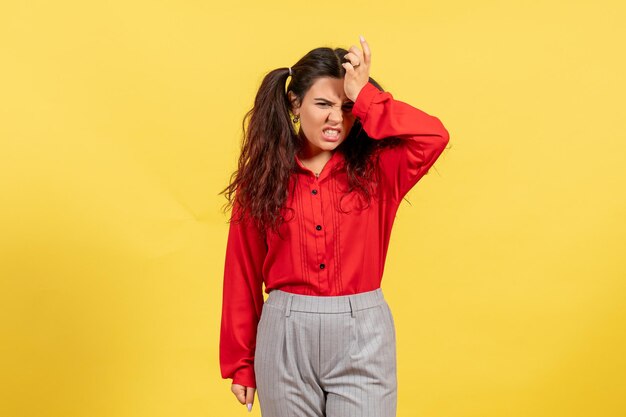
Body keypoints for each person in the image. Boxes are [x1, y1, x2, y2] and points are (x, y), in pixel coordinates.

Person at [219, 35, 450, 417]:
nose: (336, 119)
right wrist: (241, 362)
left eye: (346, 107)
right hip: (284, 337)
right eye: (323, 104)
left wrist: (367, 98)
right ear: (295, 105)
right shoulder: (262, 179)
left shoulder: (379, 170)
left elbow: (433, 136)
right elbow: (241, 272)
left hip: (363, 334)